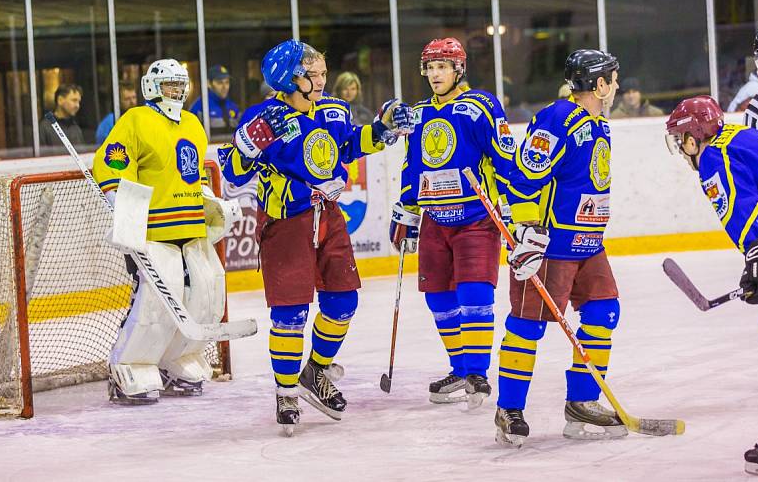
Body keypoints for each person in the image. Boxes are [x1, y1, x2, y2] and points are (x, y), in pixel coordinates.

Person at [219, 39, 412, 436]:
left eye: (324, 72)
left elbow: (349, 145)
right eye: (313, 74)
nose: (322, 80)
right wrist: (245, 146)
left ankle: (315, 372)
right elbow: (234, 174)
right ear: (289, 78)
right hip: (286, 224)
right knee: (290, 314)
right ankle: (286, 392)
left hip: (329, 218)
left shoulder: (333, 110)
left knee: (344, 300)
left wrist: (383, 126)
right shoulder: (264, 118)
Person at [92, 58, 238, 405]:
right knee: (158, 300)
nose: (178, 90)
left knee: (207, 292)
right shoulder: (136, 120)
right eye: (170, 84)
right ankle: (129, 366)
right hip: (154, 229)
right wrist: (117, 195)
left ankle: (178, 359)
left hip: (189, 225)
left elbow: (193, 170)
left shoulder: (192, 122)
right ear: (152, 88)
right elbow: (111, 159)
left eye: (180, 83)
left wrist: (209, 200)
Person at [497, 49, 623, 447]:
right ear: (599, 84)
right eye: (613, 79)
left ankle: (582, 402)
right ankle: (509, 409)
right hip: (552, 245)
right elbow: (521, 178)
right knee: (528, 325)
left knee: (604, 312)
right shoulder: (558, 118)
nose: (617, 86)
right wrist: (526, 229)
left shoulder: (598, 124)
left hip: (589, 244)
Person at [665, 95, 758, 475]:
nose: (682, 148)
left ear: (692, 137)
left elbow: (742, 209)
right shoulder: (738, 137)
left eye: (680, 138)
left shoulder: (713, 159)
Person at [389, 37, 513, 409]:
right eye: (430, 67)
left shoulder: (481, 106)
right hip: (435, 220)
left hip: (475, 218)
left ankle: (477, 372)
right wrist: (407, 212)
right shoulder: (419, 113)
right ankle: (460, 368)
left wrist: (517, 209)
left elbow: (505, 159)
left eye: (442, 66)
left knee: (475, 293)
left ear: (459, 69)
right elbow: (413, 166)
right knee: (438, 296)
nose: (435, 74)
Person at [189, 64, 241, 136]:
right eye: (220, 83)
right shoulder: (199, 107)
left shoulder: (233, 107)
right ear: (208, 84)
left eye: (227, 82)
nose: (224, 87)